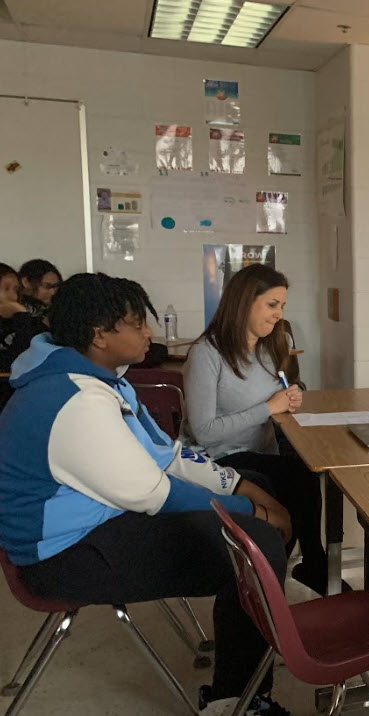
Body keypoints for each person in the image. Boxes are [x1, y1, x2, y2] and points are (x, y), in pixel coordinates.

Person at [0, 273, 293, 715]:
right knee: (254, 545)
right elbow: (153, 493)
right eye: (137, 324)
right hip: (60, 556)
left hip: (96, 519)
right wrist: (248, 509)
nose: (149, 333)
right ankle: (236, 699)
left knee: (261, 488)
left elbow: (166, 455)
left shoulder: (100, 379)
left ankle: (252, 634)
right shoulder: (74, 398)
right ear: (100, 335)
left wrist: (243, 486)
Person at [184, 264, 330, 595]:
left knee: (304, 473)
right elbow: (204, 431)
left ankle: (305, 564)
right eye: (272, 305)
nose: (279, 315)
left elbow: (274, 396)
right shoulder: (207, 354)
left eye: (282, 306)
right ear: (244, 302)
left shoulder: (266, 347)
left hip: (261, 450)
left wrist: (290, 396)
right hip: (221, 458)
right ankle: (298, 570)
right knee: (296, 480)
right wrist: (269, 407)